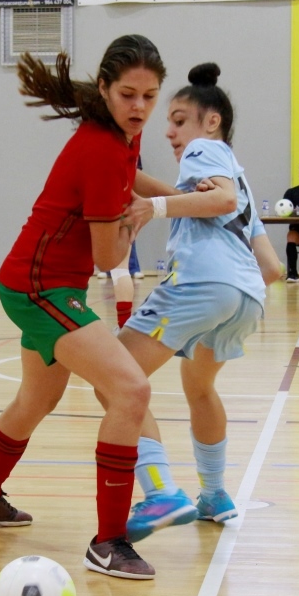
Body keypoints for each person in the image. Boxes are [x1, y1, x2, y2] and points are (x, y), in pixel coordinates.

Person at [0, 35, 166, 580]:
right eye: (127, 94)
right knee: (131, 389)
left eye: (149, 95)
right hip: (39, 287)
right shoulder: (99, 147)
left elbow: (131, 181)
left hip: (42, 283)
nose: (139, 107)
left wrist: (178, 199)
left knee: (36, 398)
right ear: (104, 89)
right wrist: (138, 217)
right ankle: (108, 542)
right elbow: (108, 257)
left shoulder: (123, 137)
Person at [115, 63, 283, 543]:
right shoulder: (240, 175)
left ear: (211, 122)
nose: (170, 130)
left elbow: (221, 201)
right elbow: (271, 267)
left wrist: (156, 207)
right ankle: (214, 494)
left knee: (114, 375)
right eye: (169, 121)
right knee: (200, 388)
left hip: (203, 283)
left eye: (180, 118)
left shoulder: (205, 151)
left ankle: (161, 491)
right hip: (246, 297)